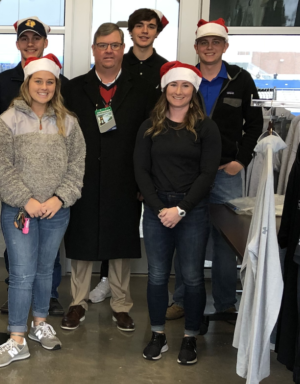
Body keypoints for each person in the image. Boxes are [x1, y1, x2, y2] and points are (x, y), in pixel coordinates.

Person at [0, 54, 85, 368]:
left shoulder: (68, 122)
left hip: (56, 211)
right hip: (20, 212)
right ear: (27, 84)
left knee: (45, 271)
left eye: (49, 81)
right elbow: (0, 167)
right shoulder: (7, 121)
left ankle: (39, 324)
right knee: (21, 275)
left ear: (56, 86)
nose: (43, 86)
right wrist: (25, 200)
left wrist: (60, 198)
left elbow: (76, 167)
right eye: (37, 80)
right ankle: (17, 338)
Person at [169, 19, 262, 320]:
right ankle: (181, 300)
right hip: (188, 173)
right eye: (204, 42)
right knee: (186, 236)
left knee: (225, 240)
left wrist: (241, 161)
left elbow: (256, 124)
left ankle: (225, 304)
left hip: (226, 172)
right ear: (196, 47)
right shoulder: (184, 79)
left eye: (216, 42)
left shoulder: (241, 79)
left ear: (225, 46)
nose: (210, 47)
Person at [61, 23, 151, 332]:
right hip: (82, 179)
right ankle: (77, 302)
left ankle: (121, 304)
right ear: (94, 49)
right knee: (82, 240)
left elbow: (147, 139)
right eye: (102, 45)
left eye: (114, 45)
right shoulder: (72, 89)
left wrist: (143, 183)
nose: (108, 50)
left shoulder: (141, 90)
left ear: (123, 49)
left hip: (124, 180)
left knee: (120, 243)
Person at [134, 61, 221, 365]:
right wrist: (161, 209)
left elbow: (208, 173)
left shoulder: (206, 127)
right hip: (157, 211)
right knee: (157, 276)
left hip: (192, 211)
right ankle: (158, 335)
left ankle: (190, 337)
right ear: (165, 89)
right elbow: (141, 171)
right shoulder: (149, 126)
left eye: (185, 85)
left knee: (193, 277)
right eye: (174, 85)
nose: (179, 91)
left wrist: (182, 209)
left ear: (193, 90)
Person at [0, 16, 68, 316]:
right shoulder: (3, 82)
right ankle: (19, 294)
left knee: (49, 254)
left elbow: (71, 143)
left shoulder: (61, 84)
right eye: (25, 38)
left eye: (36, 38)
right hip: (18, 193)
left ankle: (49, 296)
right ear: (18, 43)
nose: (30, 43)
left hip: (52, 194)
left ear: (46, 42)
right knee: (18, 252)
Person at [92, 8, 170, 305]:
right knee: (102, 220)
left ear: (156, 32)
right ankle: (104, 280)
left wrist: (146, 174)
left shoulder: (163, 69)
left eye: (151, 26)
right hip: (106, 155)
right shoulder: (114, 64)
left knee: (125, 223)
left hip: (141, 158)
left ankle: (123, 285)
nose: (145, 31)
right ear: (131, 33)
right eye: (139, 26)